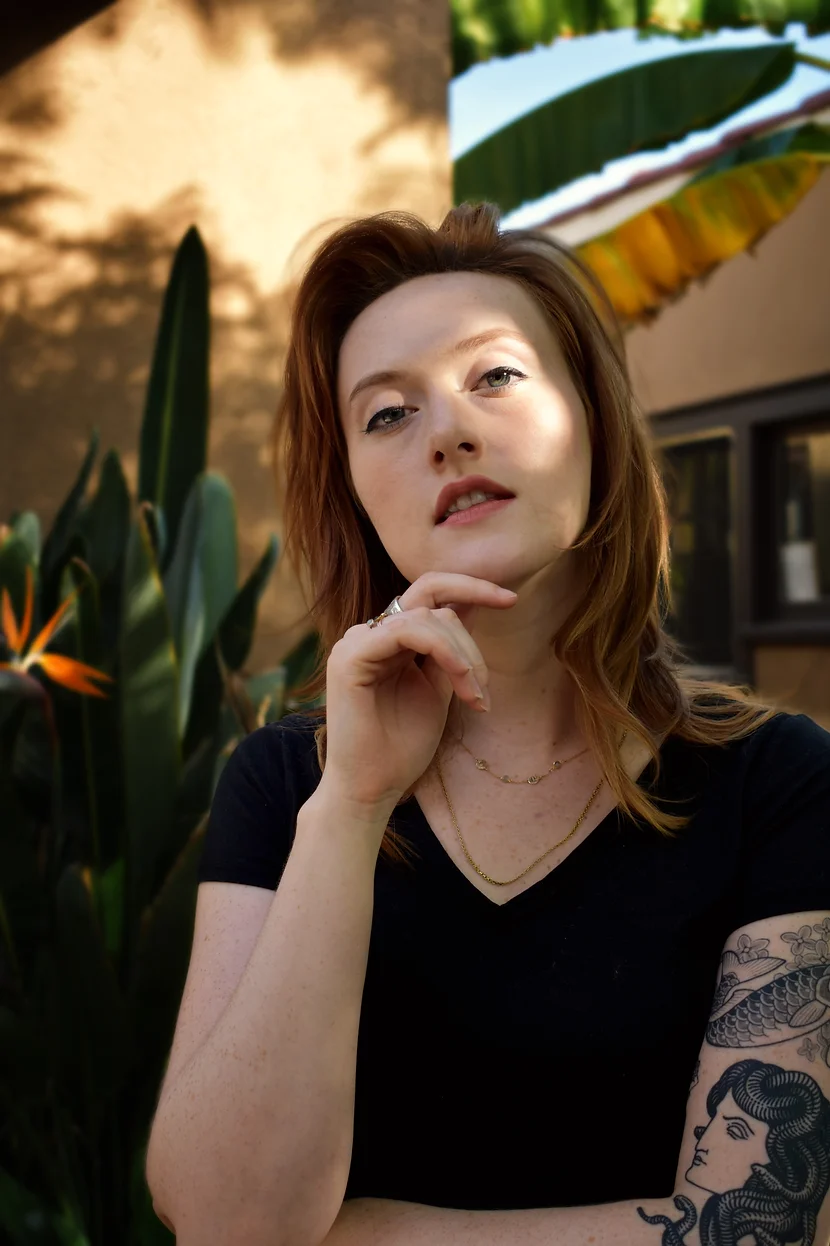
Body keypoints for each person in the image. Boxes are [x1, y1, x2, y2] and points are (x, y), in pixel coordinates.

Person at [144, 203, 830, 1246]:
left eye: (495, 376)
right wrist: (354, 802)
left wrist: (360, 1236)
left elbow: (760, 1225)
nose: (448, 432)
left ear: (591, 419)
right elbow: (224, 1219)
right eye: (386, 414)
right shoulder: (286, 786)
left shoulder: (778, 783)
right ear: (356, 495)